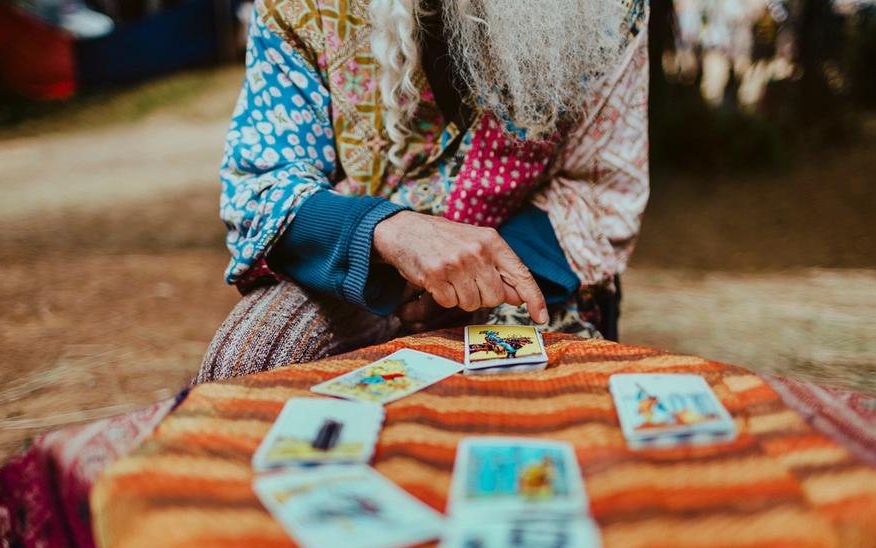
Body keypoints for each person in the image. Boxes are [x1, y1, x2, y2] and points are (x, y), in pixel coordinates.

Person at [195, 0, 651, 382]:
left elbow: (603, 191)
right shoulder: (300, 6)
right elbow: (259, 189)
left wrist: (475, 278)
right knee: (247, 363)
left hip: (523, 271)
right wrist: (386, 234)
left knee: (530, 394)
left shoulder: (607, 10)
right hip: (352, 272)